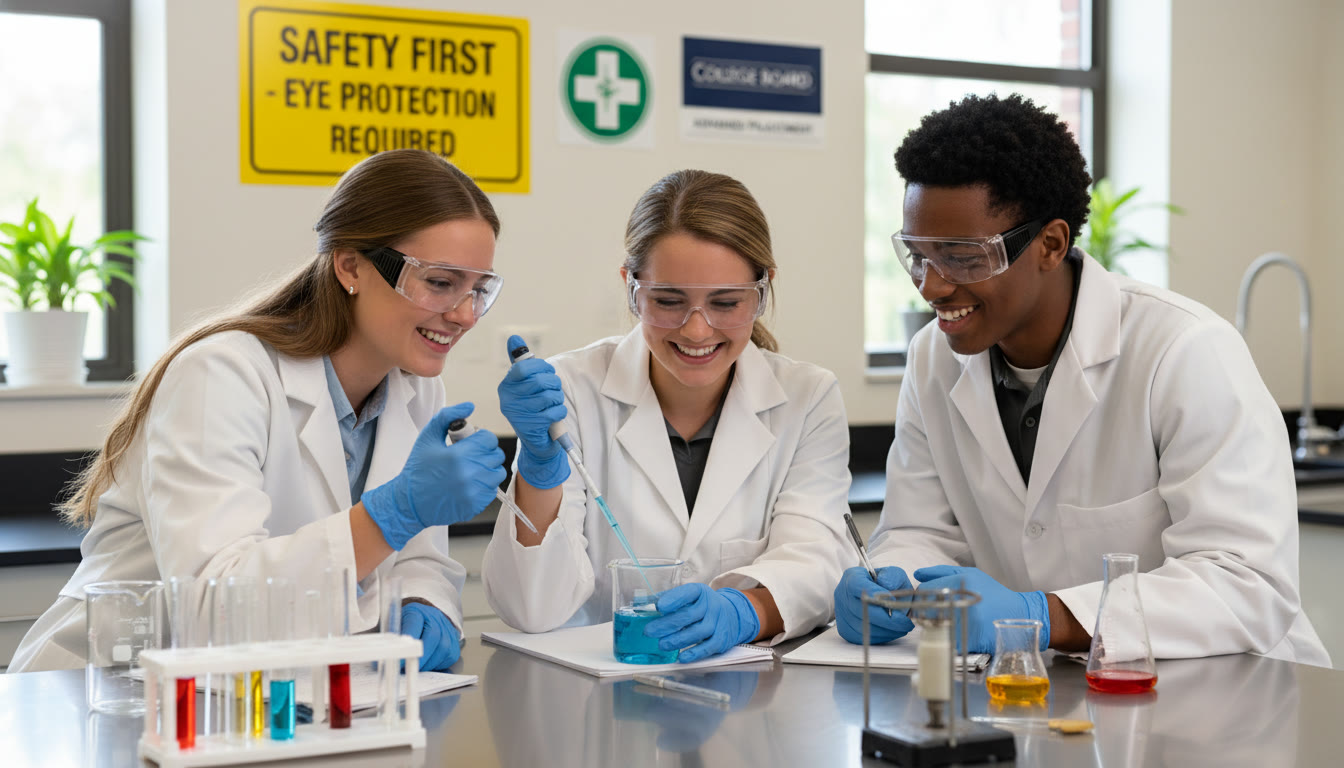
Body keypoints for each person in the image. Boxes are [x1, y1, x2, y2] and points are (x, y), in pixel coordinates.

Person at [833, 94, 1330, 667]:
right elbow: (922, 529)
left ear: (1050, 244)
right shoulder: (932, 360)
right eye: (917, 255)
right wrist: (893, 583)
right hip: (1062, 696)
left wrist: (1046, 616)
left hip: (1231, 691)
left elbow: (1247, 584)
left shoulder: (1184, 352)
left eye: (964, 257)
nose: (932, 286)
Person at [10, 149, 509, 673]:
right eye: (439, 282)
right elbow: (210, 609)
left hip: (272, 697)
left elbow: (418, 563)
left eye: (479, 289)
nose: (465, 314)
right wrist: (393, 515)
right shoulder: (221, 374)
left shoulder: (415, 389)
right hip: (109, 691)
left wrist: (424, 603)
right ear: (350, 266)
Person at [482, 169, 852, 661]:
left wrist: (741, 612)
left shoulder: (808, 397)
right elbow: (530, 607)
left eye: (725, 302)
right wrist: (538, 468)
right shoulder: (570, 389)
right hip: (603, 707)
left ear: (763, 290)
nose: (697, 330)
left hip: (744, 703)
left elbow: (817, 560)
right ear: (631, 288)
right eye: (668, 301)